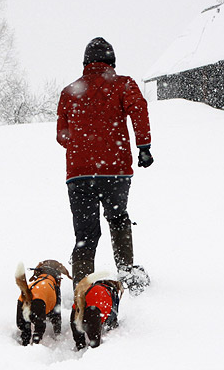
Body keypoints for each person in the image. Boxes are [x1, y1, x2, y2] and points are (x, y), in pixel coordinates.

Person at [56, 37, 153, 295]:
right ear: (112, 62)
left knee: (85, 232)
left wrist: (83, 151)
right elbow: (139, 109)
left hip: (78, 176)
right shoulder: (122, 85)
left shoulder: (69, 92)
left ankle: (82, 285)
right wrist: (144, 146)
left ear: (86, 62)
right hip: (115, 172)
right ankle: (126, 272)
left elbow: (61, 136)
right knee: (118, 217)